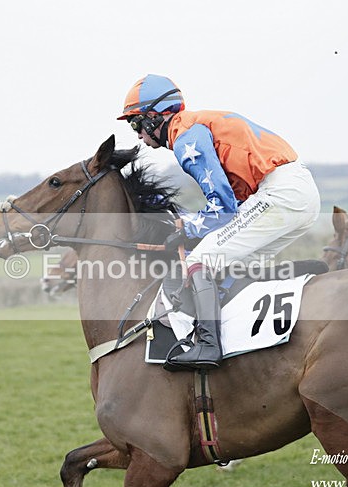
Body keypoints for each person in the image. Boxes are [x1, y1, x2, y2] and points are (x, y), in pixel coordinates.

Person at [118, 74, 321, 371]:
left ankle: (208, 345)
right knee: (233, 265)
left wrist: (187, 229)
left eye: (136, 124)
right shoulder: (194, 127)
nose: (137, 135)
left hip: (281, 193)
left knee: (201, 259)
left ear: (155, 117)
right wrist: (189, 225)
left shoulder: (186, 136)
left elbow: (222, 207)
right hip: (294, 192)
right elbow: (230, 208)